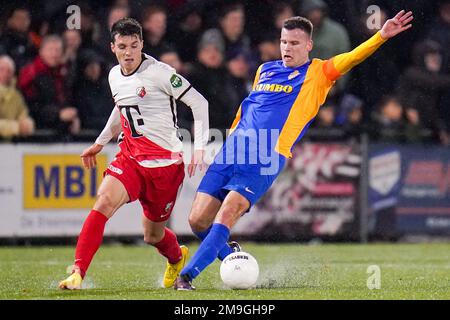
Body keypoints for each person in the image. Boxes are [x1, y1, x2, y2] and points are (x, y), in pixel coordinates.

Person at [174, 10, 414, 290]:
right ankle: (231, 255)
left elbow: (352, 58)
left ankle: (186, 277)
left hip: (266, 157)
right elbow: (249, 108)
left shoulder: (318, 73)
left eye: (295, 43)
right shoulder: (265, 70)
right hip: (233, 150)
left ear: (309, 45)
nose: (287, 48)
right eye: (284, 42)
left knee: (228, 212)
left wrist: (380, 36)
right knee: (197, 220)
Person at [58, 18, 209, 290]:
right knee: (103, 201)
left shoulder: (161, 73)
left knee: (152, 235)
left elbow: (199, 103)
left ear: (142, 45)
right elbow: (121, 109)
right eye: (123, 46)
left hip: (164, 166)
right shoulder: (114, 75)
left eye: (134, 46)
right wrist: (100, 142)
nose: (128, 53)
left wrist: (198, 148)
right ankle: (77, 272)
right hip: (130, 157)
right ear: (113, 47)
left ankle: (176, 258)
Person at [0, 55, 34, 140]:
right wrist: (16, 128)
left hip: (9, 146)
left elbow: (23, 115)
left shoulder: (17, 96)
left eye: (9, 71)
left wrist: (28, 124)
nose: (5, 74)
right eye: (1, 69)